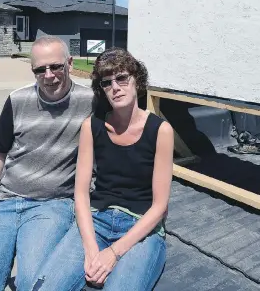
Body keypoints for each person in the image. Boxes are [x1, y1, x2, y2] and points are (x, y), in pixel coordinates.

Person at [31, 48, 174, 291]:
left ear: (137, 81)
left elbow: (160, 206)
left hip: (141, 229)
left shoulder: (160, 130)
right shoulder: (92, 127)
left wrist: (113, 253)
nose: (115, 87)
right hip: (97, 220)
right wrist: (90, 250)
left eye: (122, 78)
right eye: (107, 83)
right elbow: (81, 193)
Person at [0, 35, 94, 291]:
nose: (49, 75)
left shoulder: (89, 101)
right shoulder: (17, 100)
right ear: (32, 70)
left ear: (69, 63)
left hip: (52, 205)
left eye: (56, 66)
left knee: (31, 282)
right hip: (6, 201)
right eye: (40, 69)